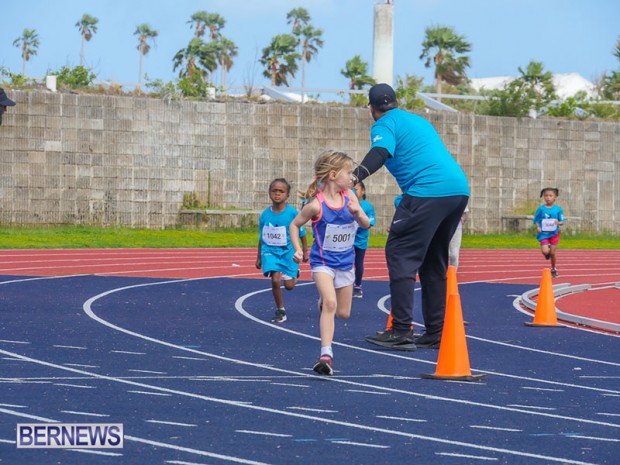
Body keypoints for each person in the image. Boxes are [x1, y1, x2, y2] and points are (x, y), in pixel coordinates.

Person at [354, 83, 469, 351]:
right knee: (433, 262)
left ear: (372, 108)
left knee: (400, 253)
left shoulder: (384, 124)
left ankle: (401, 330)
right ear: (396, 102)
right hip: (458, 191)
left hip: (427, 190)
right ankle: (435, 332)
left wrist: (355, 176)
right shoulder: (418, 120)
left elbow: (380, 152)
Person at [290, 150, 370, 375]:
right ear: (333, 175)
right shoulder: (316, 205)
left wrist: (357, 212)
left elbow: (366, 225)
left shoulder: (350, 196)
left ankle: (324, 301)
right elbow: (294, 225)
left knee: (343, 313)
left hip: (345, 263)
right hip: (322, 263)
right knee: (331, 304)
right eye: (349, 173)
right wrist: (298, 249)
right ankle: (326, 355)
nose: (353, 177)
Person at [256, 178, 308, 323]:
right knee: (275, 280)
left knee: (289, 286)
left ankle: (295, 273)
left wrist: (304, 251)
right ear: (269, 193)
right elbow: (261, 237)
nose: (277, 194)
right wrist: (258, 256)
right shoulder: (265, 215)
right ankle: (280, 309)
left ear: (287, 195)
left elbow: (302, 233)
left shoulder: (292, 213)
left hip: (288, 252)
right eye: (274, 191)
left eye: (281, 191)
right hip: (270, 251)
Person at [533, 187, 564, 278]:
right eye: (546, 196)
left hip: (554, 233)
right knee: (545, 251)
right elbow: (536, 220)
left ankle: (553, 268)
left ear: (555, 197)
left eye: (550, 196)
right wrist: (538, 227)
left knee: (553, 253)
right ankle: (547, 253)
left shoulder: (558, 209)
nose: (548, 198)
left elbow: (562, 221)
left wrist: (558, 222)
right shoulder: (541, 209)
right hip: (544, 233)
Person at [352, 181, 376, 298]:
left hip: (360, 239)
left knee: (358, 262)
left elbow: (370, 223)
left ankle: (357, 285)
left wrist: (360, 221)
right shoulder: (344, 204)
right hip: (346, 240)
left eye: (356, 189)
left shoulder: (367, 207)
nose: (353, 191)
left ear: (363, 191)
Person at [448, 204, 469, 270]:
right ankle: (439, 274)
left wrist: (463, 218)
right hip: (440, 227)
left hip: (456, 227)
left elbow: (465, 212)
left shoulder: (461, 197)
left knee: (453, 255)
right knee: (438, 253)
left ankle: (453, 274)